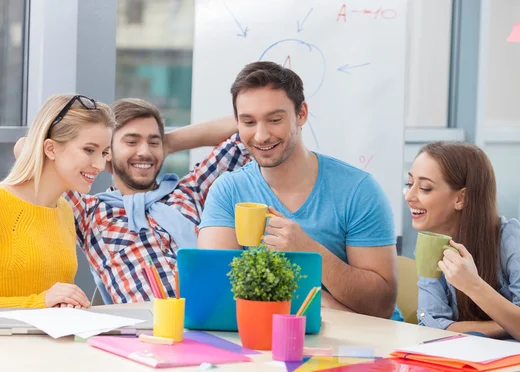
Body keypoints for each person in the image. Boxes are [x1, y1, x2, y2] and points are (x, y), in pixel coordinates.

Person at [197, 61, 398, 319]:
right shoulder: (228, 191)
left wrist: (308, 249)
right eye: (249, 122)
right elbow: (215, 294)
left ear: (301, 113)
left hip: (361, 340)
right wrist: (315, 299)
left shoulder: (358, 190)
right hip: (267, 335)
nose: (261, 136)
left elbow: (380, 306)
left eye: (275, 120)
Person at [0, 94, 115, 316]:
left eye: (105, 153)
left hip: (49, 347)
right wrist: (39, 302)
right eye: (89, 150)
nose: (99, 164)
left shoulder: (65, 212)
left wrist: (67, 304)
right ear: (50, 149)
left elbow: (53, 305)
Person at [58, 98, 249, 303]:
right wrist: (97, 151)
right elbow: (30, 151)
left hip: (208, 321)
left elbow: (246, 128)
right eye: (131, 142)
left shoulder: (191, 190)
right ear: (108, 152)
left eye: (153, 142)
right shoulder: (89, 212)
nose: (145, 152)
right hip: (145, 330)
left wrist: (170, 142)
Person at [407, 141, 520, 341]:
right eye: (410, 184)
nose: (409, 195)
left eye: (424, 188)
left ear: (461, 198)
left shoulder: (511, 239)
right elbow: (433, 326)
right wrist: (504, 324)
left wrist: (473, 285)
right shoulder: (430, 245)